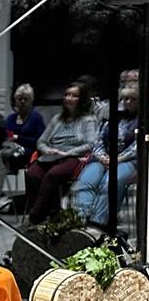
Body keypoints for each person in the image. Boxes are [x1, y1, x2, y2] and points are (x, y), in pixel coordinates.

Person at [25, 82, 98, 224]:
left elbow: (90, 144)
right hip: (51, 155)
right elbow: (41, 141)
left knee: (53, 174)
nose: (69, 98)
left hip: (73, 157)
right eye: (67, 95)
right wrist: (48, 150)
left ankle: (36, 216)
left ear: (82, 100)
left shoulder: (88, 120)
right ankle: (52, 214)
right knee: (32, 173)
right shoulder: (57, 119)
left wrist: (68, 152)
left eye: (74, 96)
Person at [72, 85, 139, 226]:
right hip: (104, 159)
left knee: (110, 182)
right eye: (125, 99)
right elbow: (97, 142)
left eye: (132, 99)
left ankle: (99, 223)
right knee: (85, 181)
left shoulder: (141, 120)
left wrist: (117, 159)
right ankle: (81, 221)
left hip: (128, 160)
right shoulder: (111, 119)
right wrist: (102, 157)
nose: (127, 102)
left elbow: (137, 147)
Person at [0, 84, 45, 204]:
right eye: (19, 99)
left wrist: (19, 137)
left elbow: (39, 141)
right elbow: (5, 136)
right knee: (3, 155)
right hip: (9, 153)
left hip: (28, 153)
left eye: (26, 99)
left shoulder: (36, 118)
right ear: (15, 101)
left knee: (4, 155)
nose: (22, 102)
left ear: (31, 101)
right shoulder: (11, 118)